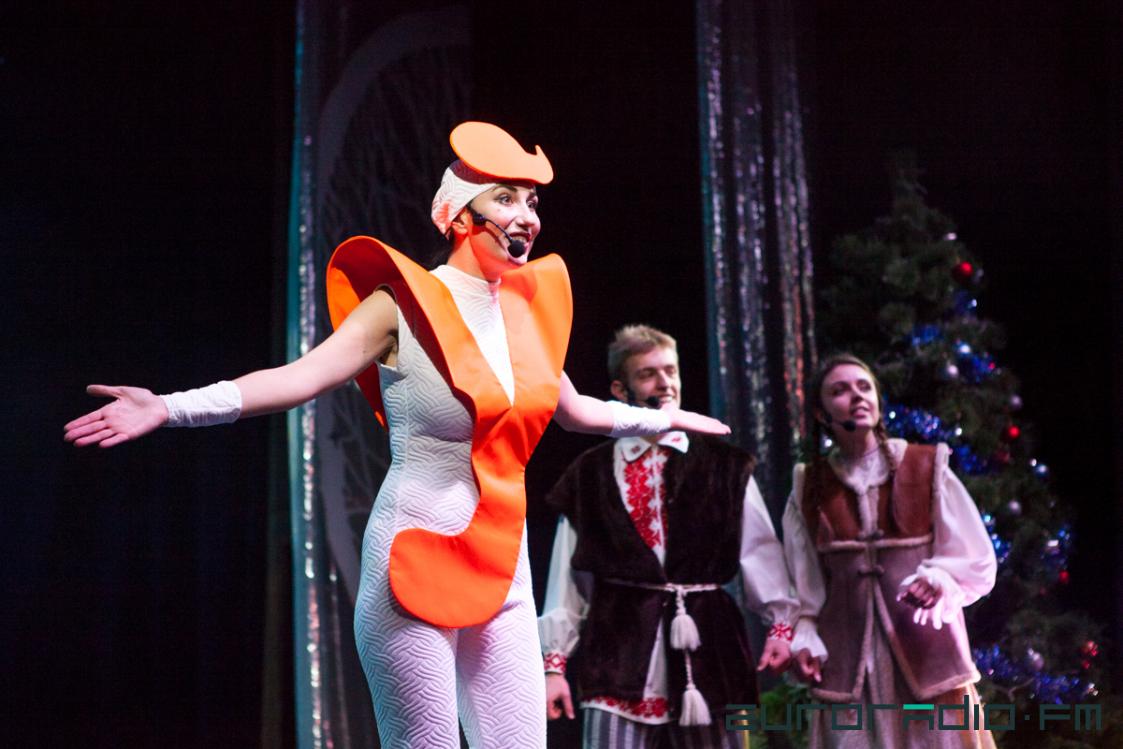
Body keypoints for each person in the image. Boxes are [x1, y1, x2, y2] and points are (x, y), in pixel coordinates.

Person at [63, 122, 729, 749]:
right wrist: (170, 407)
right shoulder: (402, 303)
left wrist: (667, 418)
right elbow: (298, 378)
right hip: (414, 556)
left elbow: (577, 412)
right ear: (459, 214)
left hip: (503, 567)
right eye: (506, 198)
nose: (527, 214)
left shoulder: (525, 312)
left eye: (532, 201)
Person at [538, 324, 797, 748]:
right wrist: (554, 665)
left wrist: (780, 625)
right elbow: (568, 577)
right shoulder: (589, 474)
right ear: (620, 390)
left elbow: (758, 550)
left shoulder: (725, 466)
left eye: (670, 371)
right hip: (618, 654)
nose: (664, 383)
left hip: (710, 650)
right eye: (648, 374)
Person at [782, 353, 997, 749]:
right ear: (821, 413)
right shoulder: (808, 485)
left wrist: (938, 578)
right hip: (851, 666)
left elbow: (976, 558)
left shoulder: (924, 466)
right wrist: (804, 630)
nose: (857, 396)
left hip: (927, 659)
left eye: (864, 387)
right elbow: (803, 581)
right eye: (840, 390)